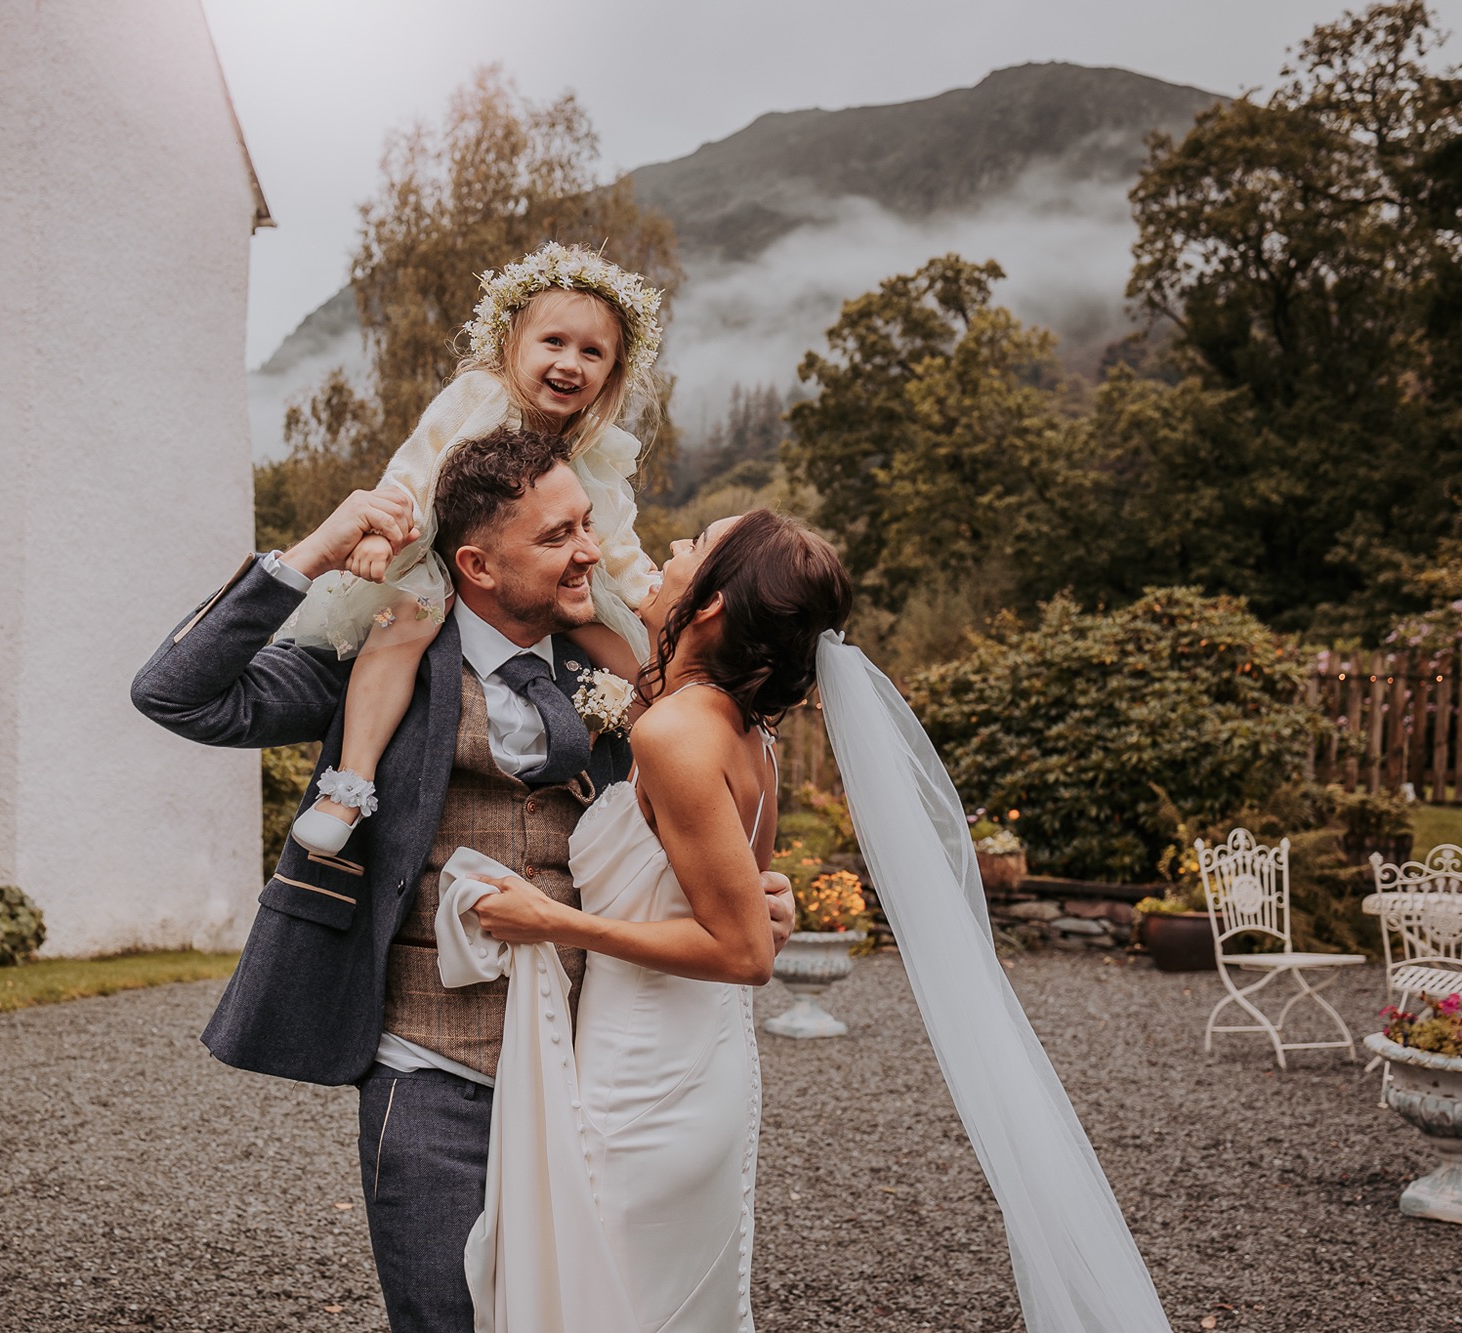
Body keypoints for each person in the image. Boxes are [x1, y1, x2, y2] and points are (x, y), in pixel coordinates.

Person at [128, 428, 795, 1333]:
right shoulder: (379, 648)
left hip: (590, 1076)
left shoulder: (616, 668)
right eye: (558, 536)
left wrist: (751, 892)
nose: (591, 553)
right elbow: (177, 693)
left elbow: (692, 814)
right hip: (431, 1066)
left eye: (587, 524)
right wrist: (317, 549)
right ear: (477, 563)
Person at [448, 510, 1175, 1333]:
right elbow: (734, 896)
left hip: (647, 1075)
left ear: (715, 603)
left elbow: (745, 951)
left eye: (693, 547)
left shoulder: (678, 732)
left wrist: (553, 922)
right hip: (692, 1058)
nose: (670, 552)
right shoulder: (741, 729)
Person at [283, 242, 664, 856]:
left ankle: (665, 791)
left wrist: (649, 591)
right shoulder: (480, 396)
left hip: (544, 574)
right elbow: (414, 467)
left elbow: (609, 533)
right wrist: (381, 531)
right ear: (511, 344)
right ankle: (348, 785)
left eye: (593, 352)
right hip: (430, 552)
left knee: (635, 660)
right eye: (554, 343)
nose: (571, 363)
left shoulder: (590, 446)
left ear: (611, 373)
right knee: (404, 622)